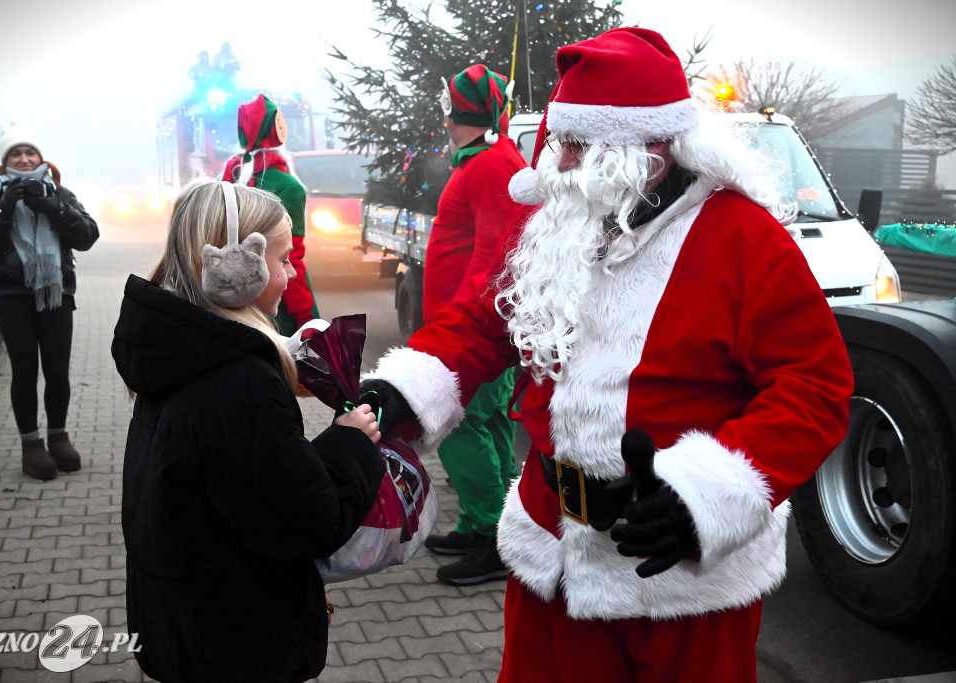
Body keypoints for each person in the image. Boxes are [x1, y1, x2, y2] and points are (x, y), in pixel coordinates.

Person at [360, 27, 854, 681]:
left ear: (648, 147)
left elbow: (814, 386)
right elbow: (489, 322)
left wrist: (705, 497)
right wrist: (409, 383)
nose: (554, 162)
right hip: (552, 553)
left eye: (574, 144)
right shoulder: (563, 223)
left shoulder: (743, 239)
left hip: (675, 573)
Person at [112, 180, 385, 682]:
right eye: (284, 259)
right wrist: (349, 442)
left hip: (184, 619)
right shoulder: (238, 383)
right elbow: (306, 521)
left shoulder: (178, 347)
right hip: (239, 639)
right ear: (236, 269)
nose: (292, 273)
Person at [420, 65, 525, 585]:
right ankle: (491, 523)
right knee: (491, 422)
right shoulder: (485, 160)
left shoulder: (488, 165)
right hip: (470, 325)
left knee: (458, 427)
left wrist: (457, 328)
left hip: (469, 330)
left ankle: (491, 534)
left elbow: (493, 257)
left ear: (454, 109)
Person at [0, 121, 99, 481]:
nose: (24, 159)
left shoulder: (59, 192)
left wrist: (53, 208)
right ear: (5, 161)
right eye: (16, 153)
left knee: (57, 372)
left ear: (41, 158)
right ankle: (31, 444)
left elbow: (88, 235)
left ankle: (58, 437)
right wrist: (5, 207)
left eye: (30, 153)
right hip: (11, 295)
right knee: (25, 372)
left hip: (57, 294)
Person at [222, 94, 320, 336]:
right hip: (276, 311)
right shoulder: (288, 186)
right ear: (277, 130)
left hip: (227, 302)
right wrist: (307, 318)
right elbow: (291, 259)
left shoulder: (227, 179)